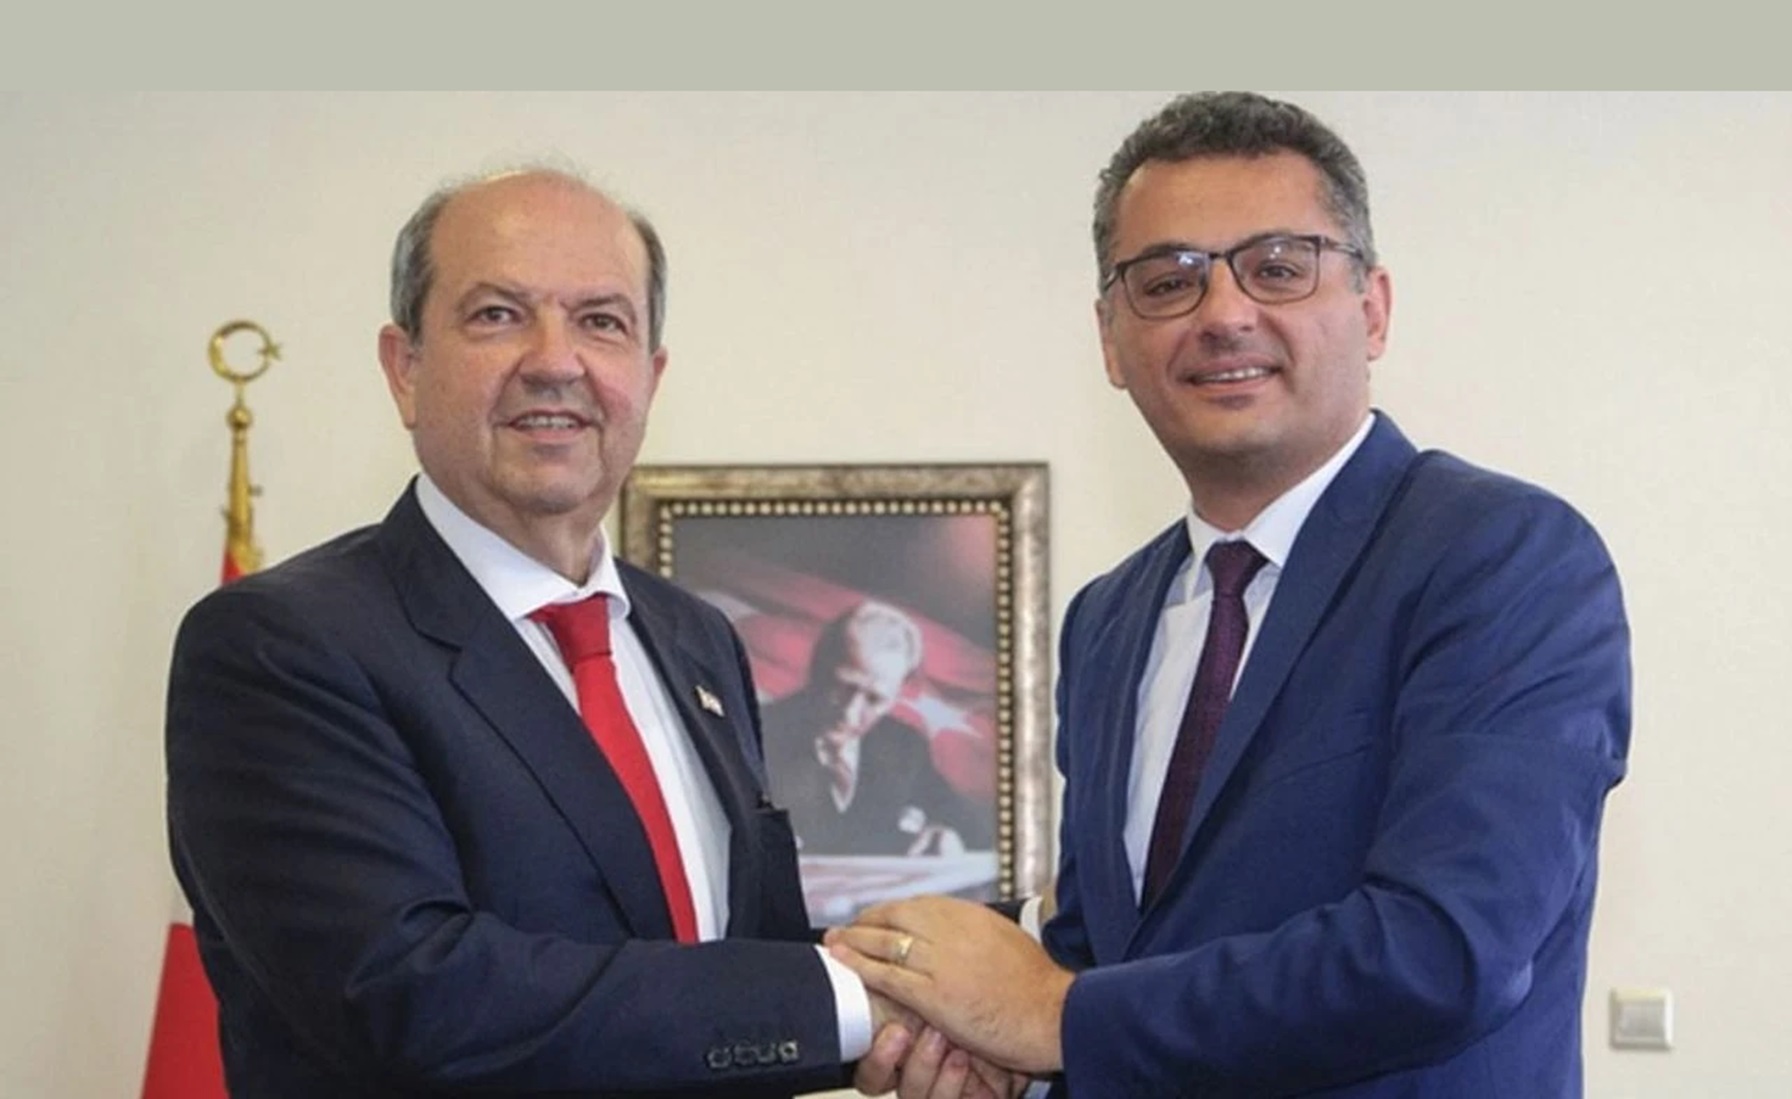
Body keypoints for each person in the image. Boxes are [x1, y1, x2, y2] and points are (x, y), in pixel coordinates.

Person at [833, 91, 1631, 1098]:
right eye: (1168, 281)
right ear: (1110, 339)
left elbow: (1443, 950)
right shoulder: (1106, 620)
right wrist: (999, 1053)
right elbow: (1101, 955)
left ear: (1373, 308)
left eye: (1279, 267)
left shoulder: (1500, 557)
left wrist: (1051, 1017)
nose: (1222, 314)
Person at [164, 165, 984, 1097]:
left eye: (601, 321)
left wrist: (1006, 970)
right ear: (405, 368)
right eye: (498, 315)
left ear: (650, 377)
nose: (556, 360)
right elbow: (414, 995)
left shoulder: (695, 640)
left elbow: (734, 963)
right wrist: (848, 1003)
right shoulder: (281, 645)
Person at [764, 600, 992, 858]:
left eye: (874, 699)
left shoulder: (904, 746)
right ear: (818, 667)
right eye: (843, 687)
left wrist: (946, 834)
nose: (850, 712)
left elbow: (975, 833)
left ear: (896, 695)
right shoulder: (759, 734)